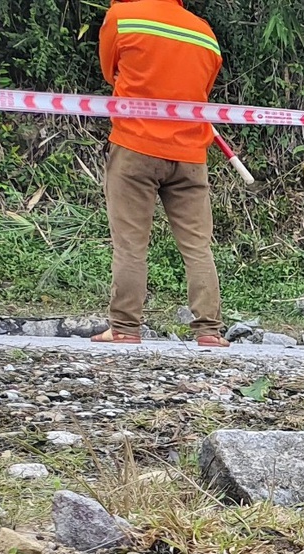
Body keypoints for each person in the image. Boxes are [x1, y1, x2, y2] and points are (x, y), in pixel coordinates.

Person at [94, 0, 227, 347]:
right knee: (198, 247)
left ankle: (124, 327)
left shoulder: (122, 17)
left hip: (134, 146)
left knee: (130, 245)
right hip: (189, 153)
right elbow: (202, 90)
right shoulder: (204, 32)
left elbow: (110, 72)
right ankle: (209, 331)